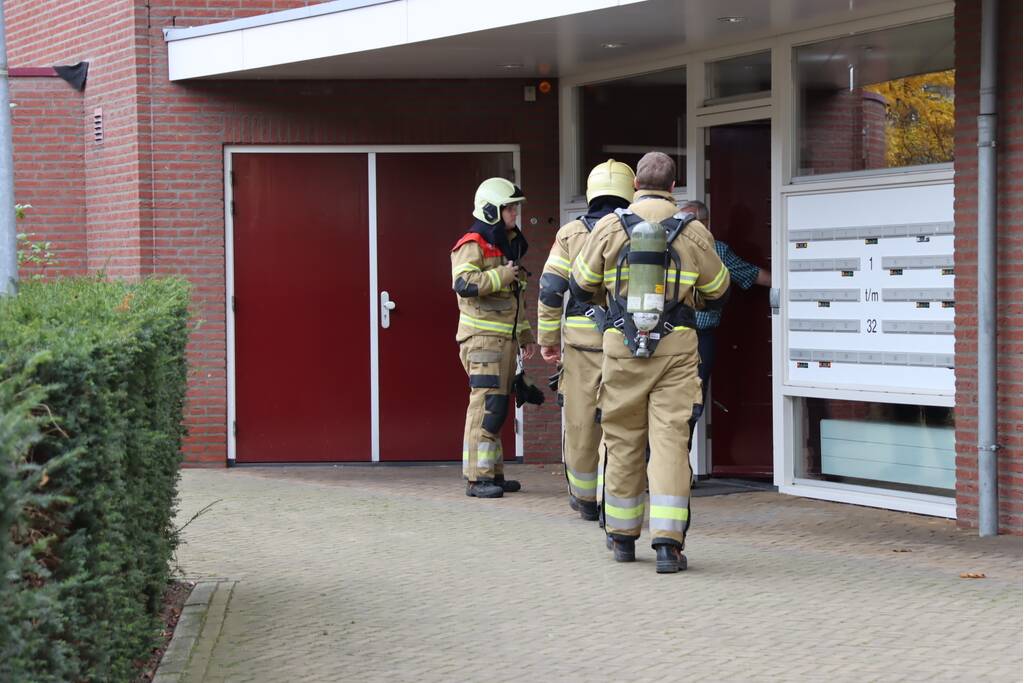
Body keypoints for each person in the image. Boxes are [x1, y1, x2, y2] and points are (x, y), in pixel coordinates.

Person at [570, 152, 730, 573]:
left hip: (621, 349)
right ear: (674, 188)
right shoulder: (693, 231)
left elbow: (581, 284)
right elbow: (718, 289)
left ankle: (622, 538)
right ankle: (667, 545)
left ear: (635, 186)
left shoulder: (608, 227)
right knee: (670, 444)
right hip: (676, 352)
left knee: (622, 439)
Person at [538, 160, 636, 521]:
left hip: (580, 346)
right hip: (627, 343)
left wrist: (548, 339)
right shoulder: (639, 230)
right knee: (621, 423)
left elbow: (550, 289)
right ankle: (616, 497)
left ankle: (584, 499)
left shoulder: (570, 234)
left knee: (580, 423)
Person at [451, 178, 535, 499]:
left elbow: (516, 299)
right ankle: (476, 478)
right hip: (483, 340)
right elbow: (464, 283)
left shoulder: (506, 243)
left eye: (515, 207)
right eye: (510, 208)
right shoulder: (472, 243)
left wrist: (525, 335)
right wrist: (502, 275)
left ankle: (493, 474)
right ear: (492, 210)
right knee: (485, 407)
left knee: (498, 407)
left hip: (504, 341)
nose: (515, 213)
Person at [679, 200, 771, 443]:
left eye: (688, 223)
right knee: (677, 402)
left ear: (705, 224)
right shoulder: (669, 249)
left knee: (691, 401)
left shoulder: (717, 251)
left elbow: (752, 274)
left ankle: (674, 467)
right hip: (676, 337)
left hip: (699, 339)